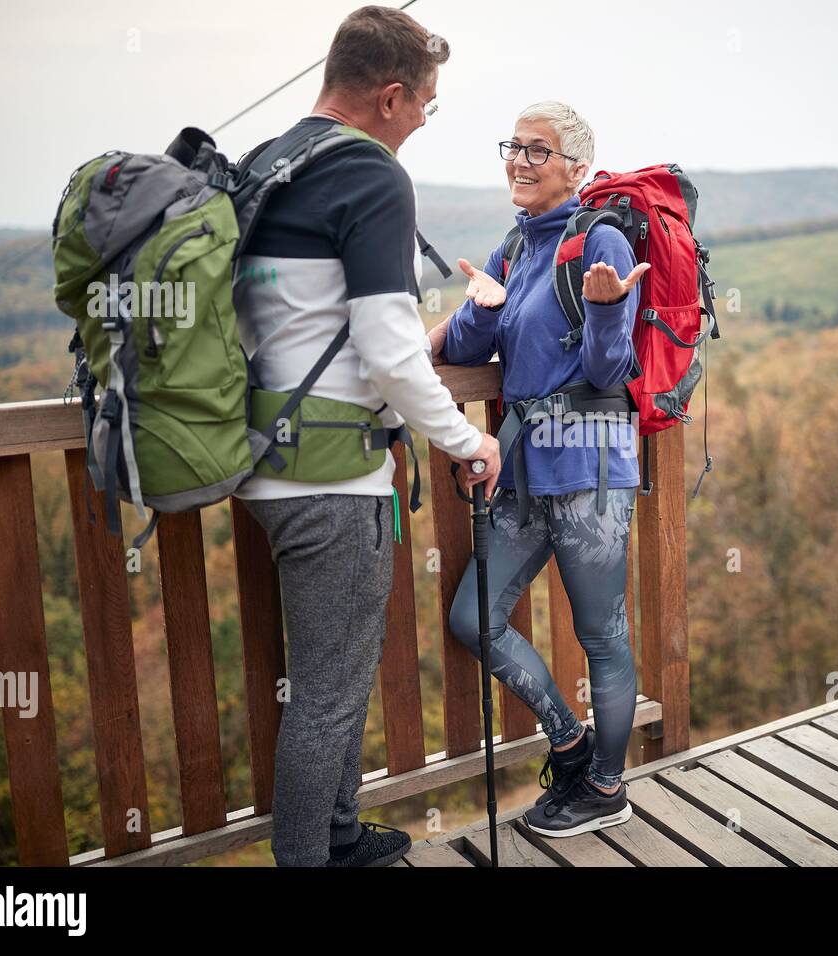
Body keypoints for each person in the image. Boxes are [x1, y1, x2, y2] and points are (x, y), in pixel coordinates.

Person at [232, 6, 501, 867]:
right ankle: (311, 856)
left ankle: (342, 833)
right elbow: (389, 346)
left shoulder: (267, 162)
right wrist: (467, 442)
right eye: (426, 103)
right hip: (330, 475)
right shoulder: (371, 174)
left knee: (334, 674)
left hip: (264, 460)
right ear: (390, 97)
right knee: (326, 691)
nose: (423, 119)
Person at [428, 101, 648, 837]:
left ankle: (607, 791)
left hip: (590, 474)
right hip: (523, 472)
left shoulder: (601, 240)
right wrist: (473, 313)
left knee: (602, 636)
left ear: (576, 168)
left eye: (538, 150)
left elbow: (608, 367)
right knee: (474, 619)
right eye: (513, 147)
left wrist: (611, 312)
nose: (519, 161)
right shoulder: (515, 249)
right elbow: (465, 347)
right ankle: (571, 742)